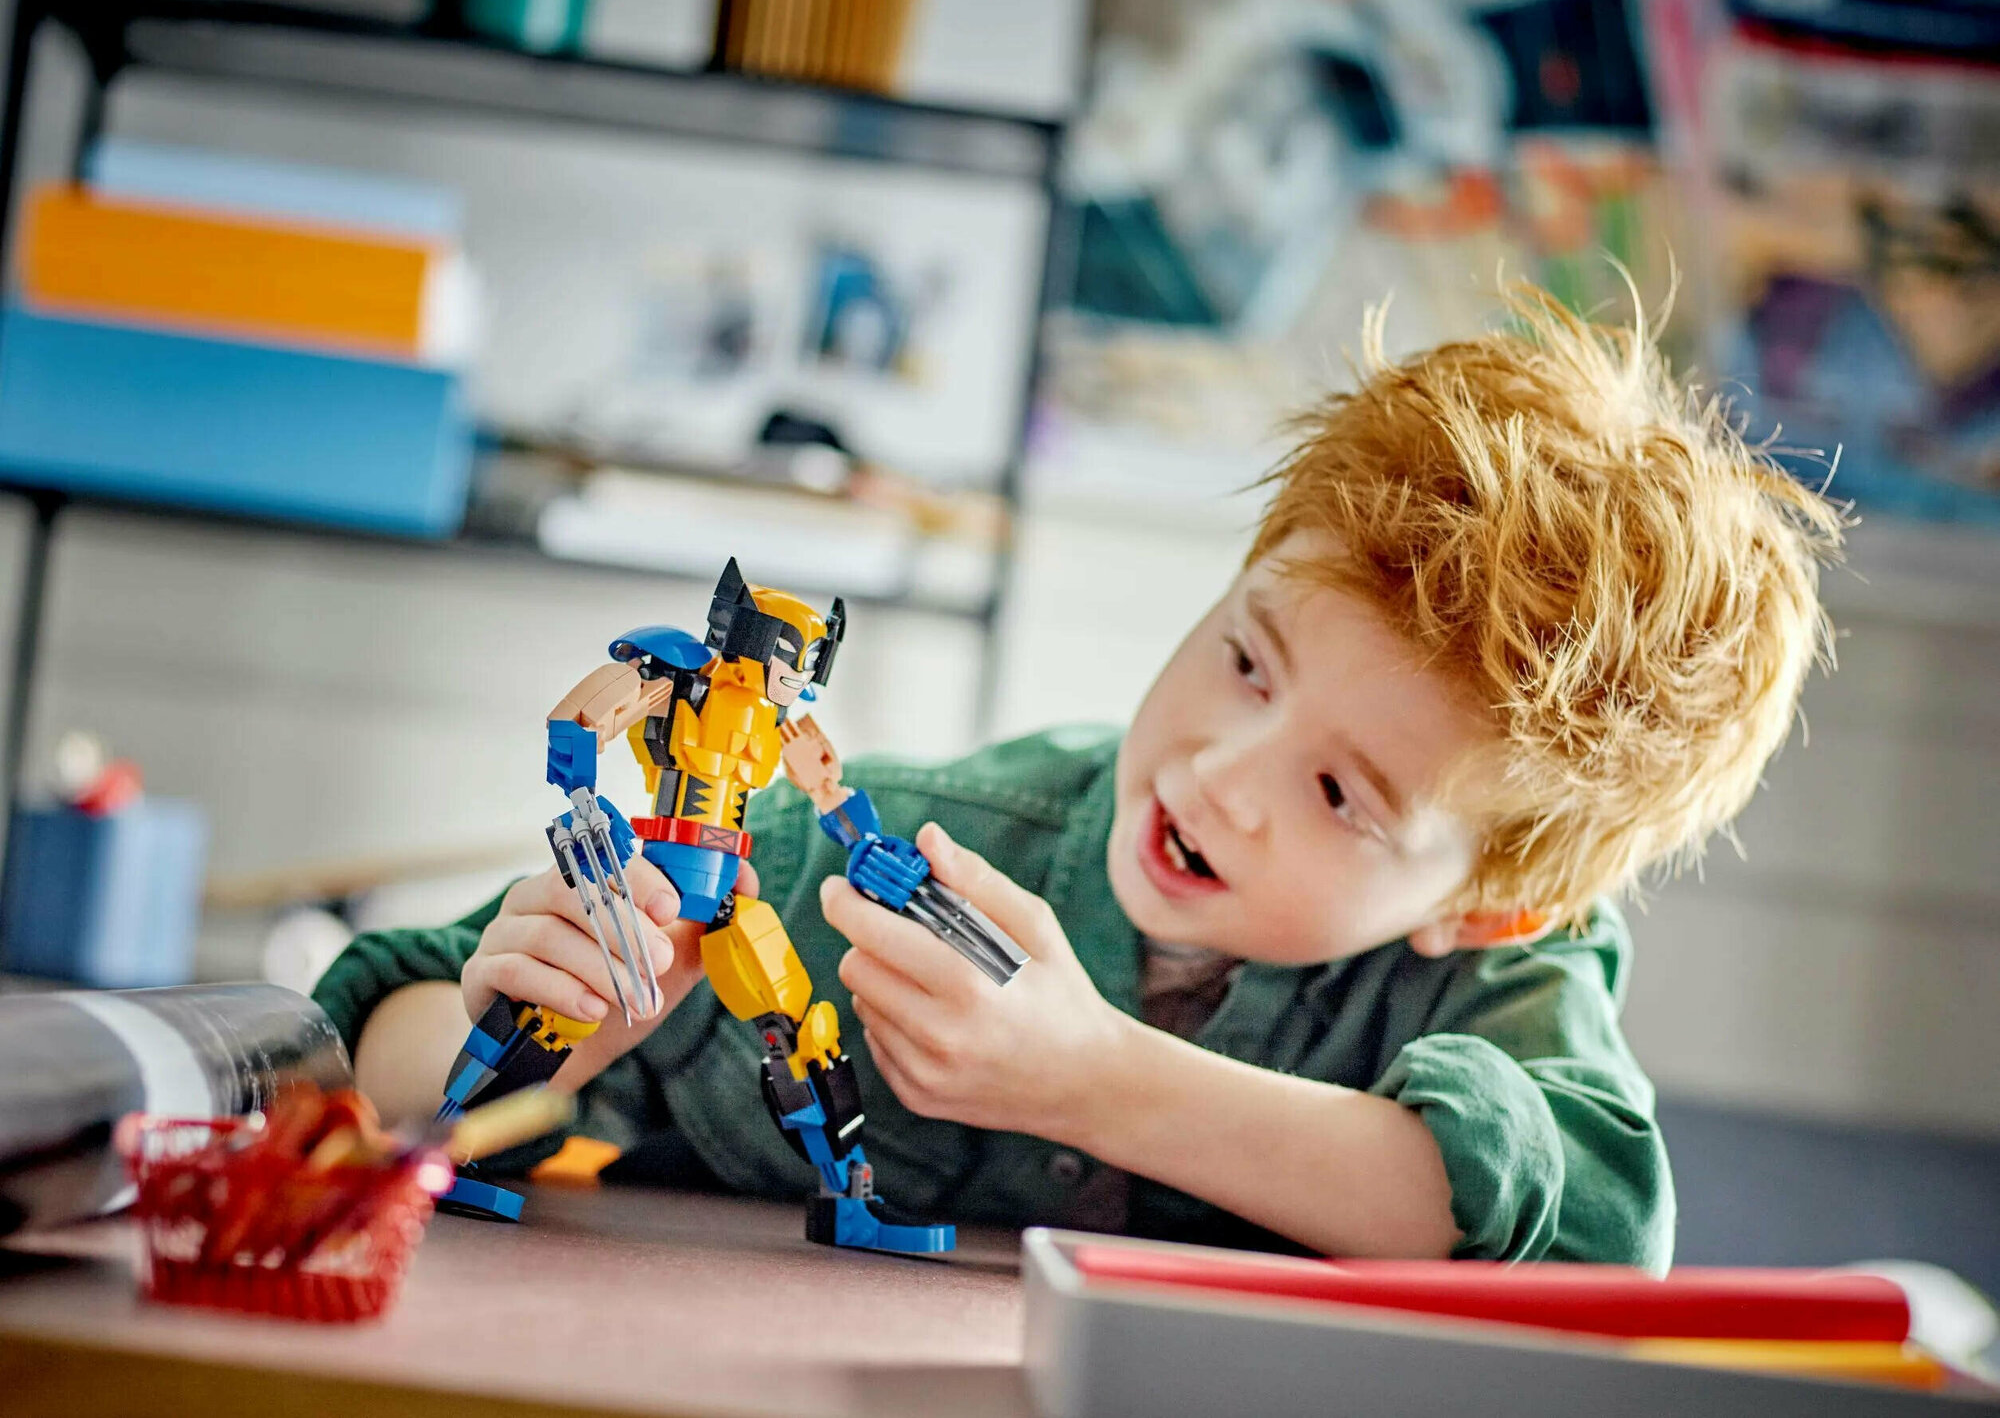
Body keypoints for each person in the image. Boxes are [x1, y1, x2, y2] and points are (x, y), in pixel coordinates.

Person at [316, 287, 1843, 1270]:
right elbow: (363, 1058)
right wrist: (530, 1030)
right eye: (1246, 661)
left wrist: (1093, 1079)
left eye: (1341, 796)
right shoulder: (858, 852)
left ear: (1488, 906)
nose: (1222, 773)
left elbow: (1591, 1236)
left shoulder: (1510, 971)